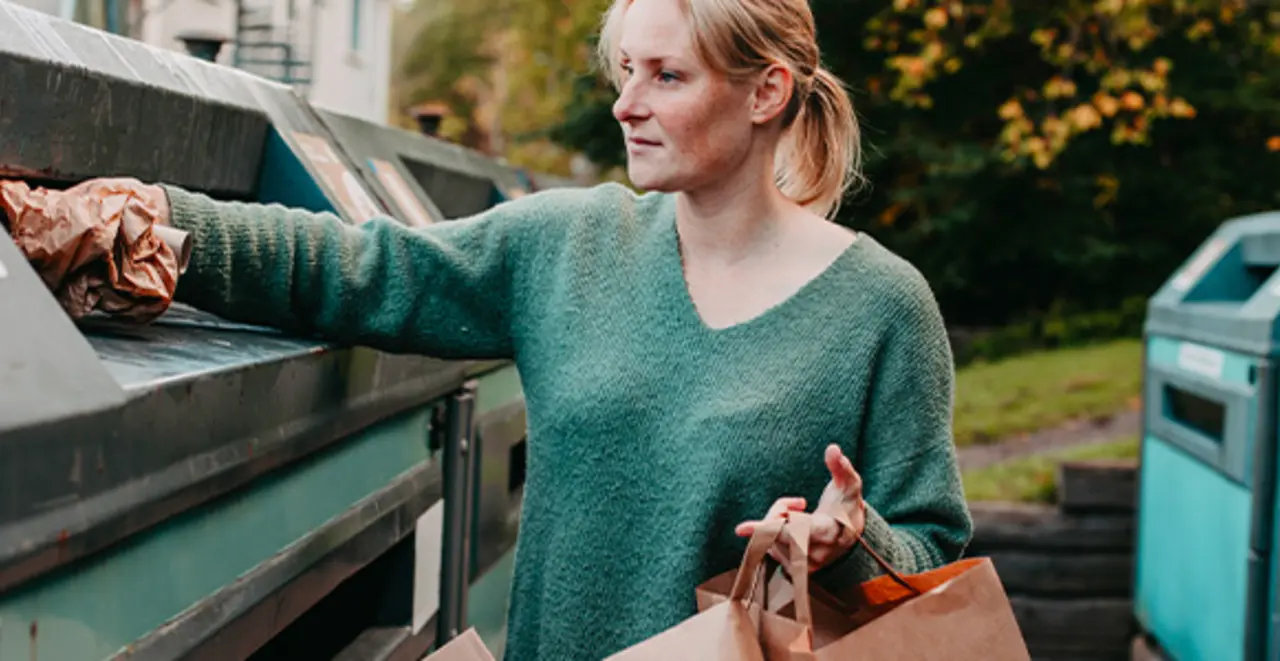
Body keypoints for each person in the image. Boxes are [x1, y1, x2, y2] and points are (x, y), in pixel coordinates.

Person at [93, 0, 972, 657]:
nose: (627, 103)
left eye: (667, 76)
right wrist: (141, 225)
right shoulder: (568, 245)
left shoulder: (883, 308)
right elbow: (357, 269)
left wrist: (851, 541)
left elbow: (929, 564)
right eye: (626, 69)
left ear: (766, 92)